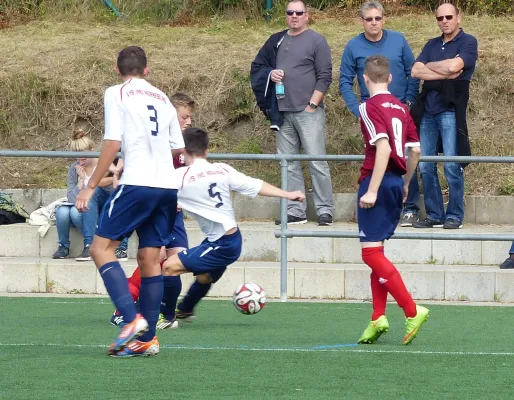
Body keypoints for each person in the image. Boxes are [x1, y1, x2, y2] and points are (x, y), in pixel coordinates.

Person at [75, 46, 184, 357]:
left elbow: (113, 141)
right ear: (147, 70)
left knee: (100, 248)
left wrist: (91, 185)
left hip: (138, 184)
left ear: (116, 69)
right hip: (166, 187)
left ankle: (130, 317)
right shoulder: (163, 99)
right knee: (150, 259)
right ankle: (148, 338)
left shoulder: (117, 92)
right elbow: (178, 148)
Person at [161, 127, 305, 324]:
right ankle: (185, 309)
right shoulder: (222, 169)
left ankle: (166, 318)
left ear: (183, 152)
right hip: (231, 240)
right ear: (207, 151)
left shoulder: (180, 176)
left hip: (221, 245)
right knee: (204, 277)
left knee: (169, 267)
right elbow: (256, 185)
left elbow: (153, 191)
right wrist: (288, 195)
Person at [355, 55, 428, 345]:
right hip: (397, 183)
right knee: (378, 251)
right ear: (390, 78)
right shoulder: (401, 108)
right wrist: (406, 183)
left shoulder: (367, 106)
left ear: (364, 79)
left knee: (370, 254)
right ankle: (377, 317)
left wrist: (372, 189)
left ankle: (412, 310)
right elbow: (416, 152)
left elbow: (383, 149)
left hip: (378, 180)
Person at [111, 93, 196, 329]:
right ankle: (126, 310)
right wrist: (121, 170)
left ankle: (164, 314)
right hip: (152, 206)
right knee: (155, 257)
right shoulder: (158, 140)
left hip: (173, 210)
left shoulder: (185, 144)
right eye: (184, 117)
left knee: (176, 260)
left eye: (190, 118)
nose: (188, 121)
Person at [251, 0, 334, 226]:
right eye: (290, 12)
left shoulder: (317, 40)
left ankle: (325, 210)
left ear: (307, 15)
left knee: (317, 161)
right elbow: (258, 66)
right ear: (286, 15)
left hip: (308, 112)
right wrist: (271, 74)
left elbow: (325, 75)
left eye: (299, 12)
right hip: (282, 112)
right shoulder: (276, 40)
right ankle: (295, 210)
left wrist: (313, 105)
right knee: (289, 163)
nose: (294, 16)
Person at [339, 0, 421, 227]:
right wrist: (357, 109)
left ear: (383, 19)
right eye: (369, 19)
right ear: (362, 21)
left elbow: (412, 71)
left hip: (398, 111)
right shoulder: (353, 46)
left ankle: (409, 206)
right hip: (372, 112)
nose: (374, 23)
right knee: (375, 155)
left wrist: (408, 102)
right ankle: (376, 204)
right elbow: (345, 80)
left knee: (405, 154)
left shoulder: (398, 40)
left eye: (377, 18)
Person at [411, 3, 478, 230]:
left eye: (449, 16)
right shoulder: (431, 44)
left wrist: (432, 68)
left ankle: (454, 215)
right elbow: (416, 70)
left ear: (459, 17)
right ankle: (435, 214)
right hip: (427, 111)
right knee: (425, 166)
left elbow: (456, 66)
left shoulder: (468, 42)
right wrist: (442, 69)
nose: (445, 21)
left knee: (452, 165)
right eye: (440, 18)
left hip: (450, 109)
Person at [52, 129, 112, 261]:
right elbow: (71, 198)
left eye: (84, 156)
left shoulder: (103, 166)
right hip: (80, 207)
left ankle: (90, 243)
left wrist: (89, 185)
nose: (81, 160)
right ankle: (63, 247)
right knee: (61, 211)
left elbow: (108, 192)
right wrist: (80, 182)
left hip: (97, 208)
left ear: (92, 149)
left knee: (75, 210)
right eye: (78, 156)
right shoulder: (74, 169)